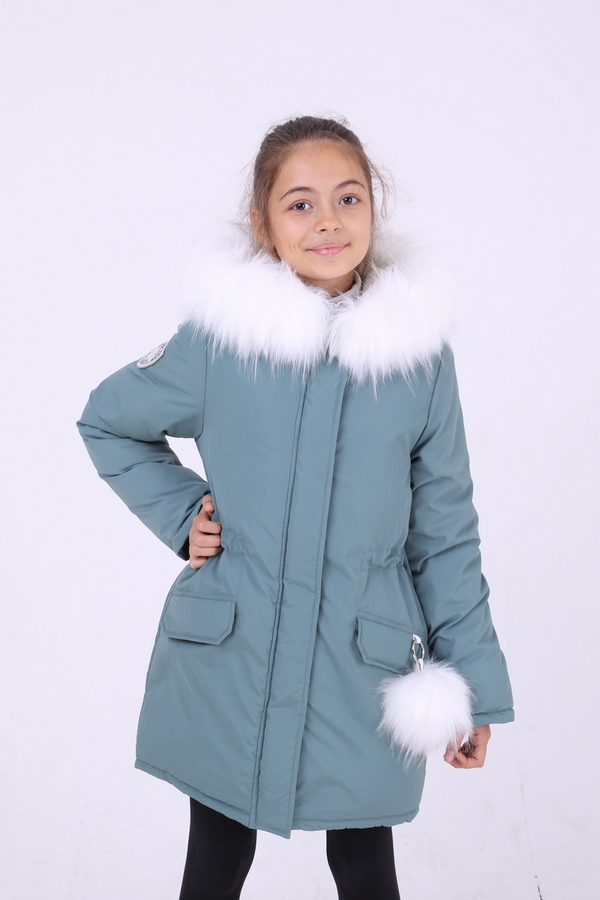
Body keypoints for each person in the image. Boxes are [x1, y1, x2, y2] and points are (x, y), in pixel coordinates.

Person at [77, 115, 514, 900]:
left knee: (365, 864)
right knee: (216, 859)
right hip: (231, 658)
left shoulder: (417, 359)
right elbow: (109, 420)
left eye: (348, 198)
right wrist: (183, 514)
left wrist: (472, 683)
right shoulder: (222, 343)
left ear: (374, 208)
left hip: (364, 664)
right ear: (263, 223)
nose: (328, 222)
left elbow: (445, 531)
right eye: (300, 204)